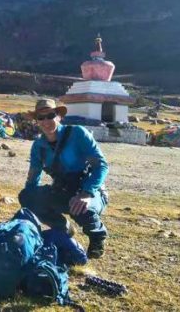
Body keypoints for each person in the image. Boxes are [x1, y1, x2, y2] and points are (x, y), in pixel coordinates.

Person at [18, 99, 109, 259]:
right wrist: (29, 204)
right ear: (37, 121)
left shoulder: (78, 134)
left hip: (89, 191)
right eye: (41, 117)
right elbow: (33, 176)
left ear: (59, 116)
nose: (46, 121)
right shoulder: (38, 146)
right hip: (62, 190)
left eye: (50, 115)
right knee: (26, 196)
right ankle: (63, 227)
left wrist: (86, 193)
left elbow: (101, 166)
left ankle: (97, 235)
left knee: (80, 207)